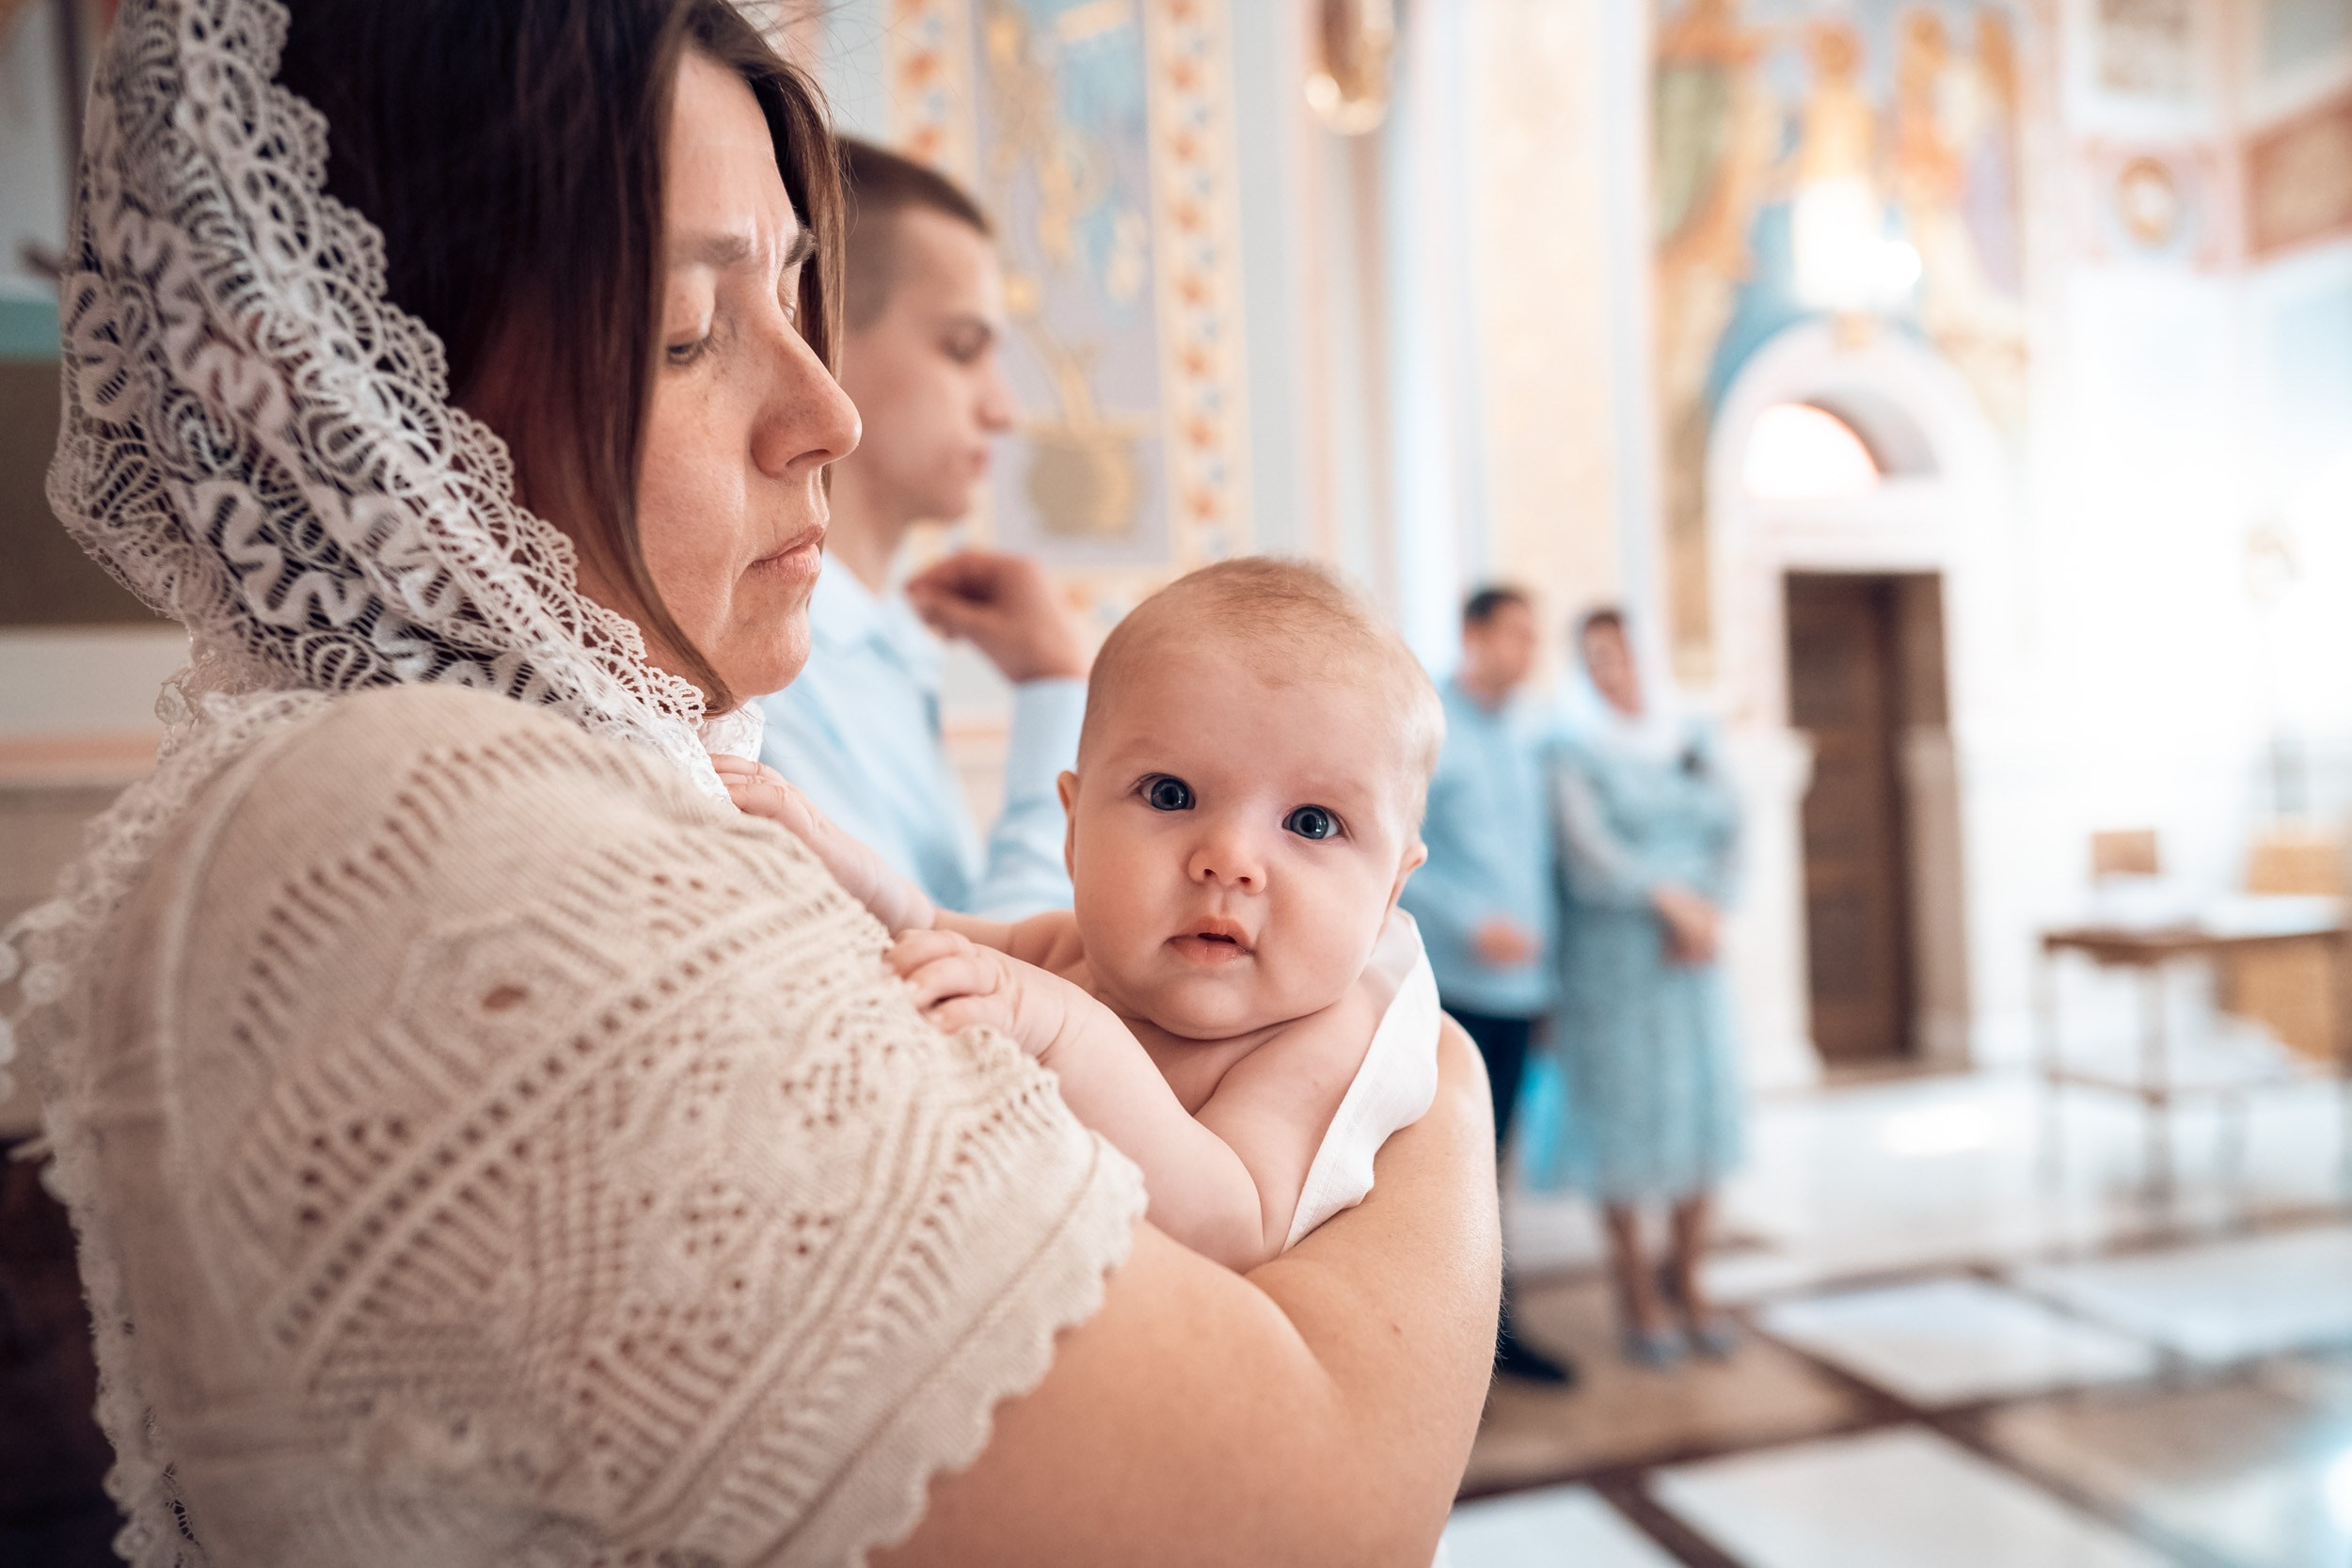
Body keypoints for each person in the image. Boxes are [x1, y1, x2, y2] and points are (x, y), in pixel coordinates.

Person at [1, 4, 1500, 1563]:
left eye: (794, 291)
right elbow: (1304, 1514)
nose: (827, 412)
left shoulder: (588, 784)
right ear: (361, 392)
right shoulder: (455, 844)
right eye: (685, 331)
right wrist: (1407, 1043)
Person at [725, 560, 1444, 1272]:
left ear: (1389, 893)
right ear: (1073, 832)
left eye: (1312, 823)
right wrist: (836, 856)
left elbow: (1233, 1221)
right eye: (1169, 794)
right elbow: (931, 925)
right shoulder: (1076, 951)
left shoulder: (1324, 1039)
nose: (1227, 860)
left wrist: (1069, 1031)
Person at [758, 138, 1084, 918]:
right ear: (818, 327)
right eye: (961, 349)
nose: (1003, 408)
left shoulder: (890, 643)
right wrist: (1060, 696)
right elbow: (970, 987)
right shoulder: (767, 672)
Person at [1545, 608, 1745, 1366]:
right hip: (1615, 956)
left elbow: (1734, 829)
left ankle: (1690, 1277)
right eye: (1592, 656)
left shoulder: (1693, 735)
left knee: (1702, 1110)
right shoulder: (1572, 748)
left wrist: (1710, 913)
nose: (1609, 668)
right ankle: (1636, 1289)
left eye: (1619, 652)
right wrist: (1668, 899)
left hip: (1692, 955)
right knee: (1624, 1118)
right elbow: (1587, 851)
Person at [1401, 585, 1577, 1385]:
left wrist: (1549, 981)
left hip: (1523, 991)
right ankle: (1448, 1342)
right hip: (1456, 986)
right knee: (1450, 1163)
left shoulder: (1528, 736)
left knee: (1498, 1159)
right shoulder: (1429, 729)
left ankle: (1496, 1333)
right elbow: (1401, 848)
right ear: (1472, 634)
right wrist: (1476, 923)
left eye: (1533, 636)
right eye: (1514, 633)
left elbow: (1539, 865)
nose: (1527, 650)